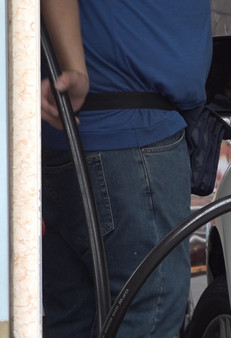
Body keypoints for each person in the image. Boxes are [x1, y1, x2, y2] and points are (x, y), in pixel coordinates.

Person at [40, 0, 212, 336]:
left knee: (75, 317)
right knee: (149, 310)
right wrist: (73, 67)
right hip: (132, 144)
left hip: (68, 140)